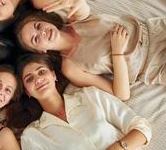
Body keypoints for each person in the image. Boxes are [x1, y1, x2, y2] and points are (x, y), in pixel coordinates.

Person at [14, 0, 166, 100]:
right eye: (36, 39)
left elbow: (78, 3)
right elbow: (121, 94)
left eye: (38, 26)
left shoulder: (75, 18)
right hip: (158, 64)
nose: (42, 32)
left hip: (161, 29)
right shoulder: (70, 67)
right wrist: (117, 53)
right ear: (40, 51)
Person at [11, 53, 151, 150]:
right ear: (27, 91)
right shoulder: (32, 135)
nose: (38, 79)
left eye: (41, 71)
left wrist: (118, 147)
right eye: (29, 79)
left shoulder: (91, 96)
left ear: (53, 75)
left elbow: (142, 128)